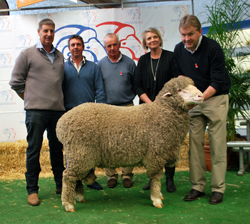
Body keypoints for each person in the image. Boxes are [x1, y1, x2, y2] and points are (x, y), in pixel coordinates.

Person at [173, 14, 231, 204]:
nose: (186, 39)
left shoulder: (213, 48)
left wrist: (200, 98)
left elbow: (218, 81)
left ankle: (218, 188)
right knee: (194, 145)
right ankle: (197, 186)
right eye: (183, 35)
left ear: (200, 32)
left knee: (216, 144)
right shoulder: (179, 49)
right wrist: (189, 99)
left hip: (216, 97)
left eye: (190, 34)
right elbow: (179, 77)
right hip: (194, 100)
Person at [9, 19, 65, 206]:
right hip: (36, 112)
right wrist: (31, 99)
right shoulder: (27, 54)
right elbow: (16, 83)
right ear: (39, 32)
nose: (49, 34)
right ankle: (32, 190)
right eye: (46, 31)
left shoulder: (60, 56)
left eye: (52, 31)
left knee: (57, 150)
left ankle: (61, 185)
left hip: (57, 111)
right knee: (34, 149)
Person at [134, 27, 177, 192]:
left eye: (154, 37)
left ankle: (170, 178)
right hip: (147, 109)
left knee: (168, 144)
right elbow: (137, 86)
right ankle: (153, 178)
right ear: (145, 43)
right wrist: (151, 104)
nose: (152, 40)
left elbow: (175, 83)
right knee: (150, 146)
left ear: (159, 38)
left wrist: (161, 103)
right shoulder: (143, 60)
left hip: (167, 110)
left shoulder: (171, 57)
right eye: (148, 38)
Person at [63, 34, 105, 190]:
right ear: (69, 48)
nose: (75, 47)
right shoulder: (63, 67)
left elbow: (99, 90)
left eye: (78, 44)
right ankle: (75, 180)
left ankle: (90, 178)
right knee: (71, 148)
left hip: (89, 116)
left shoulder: (93, 67)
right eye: (73, 45)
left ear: (83, 47)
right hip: (69, 115)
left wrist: (99, 111)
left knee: (90, 147)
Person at [97, 33, 135, 189]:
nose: (112, 48)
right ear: (105, 47)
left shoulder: (130, 63)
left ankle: (127, 175)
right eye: (109, 46)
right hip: (108, 109)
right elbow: (98, 87)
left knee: (130, 143)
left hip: (127, 108)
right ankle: (111, 176)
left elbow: (136, 84)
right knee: (108, 144)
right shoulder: (99, 65)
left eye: (115, 45)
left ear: (120, 44)